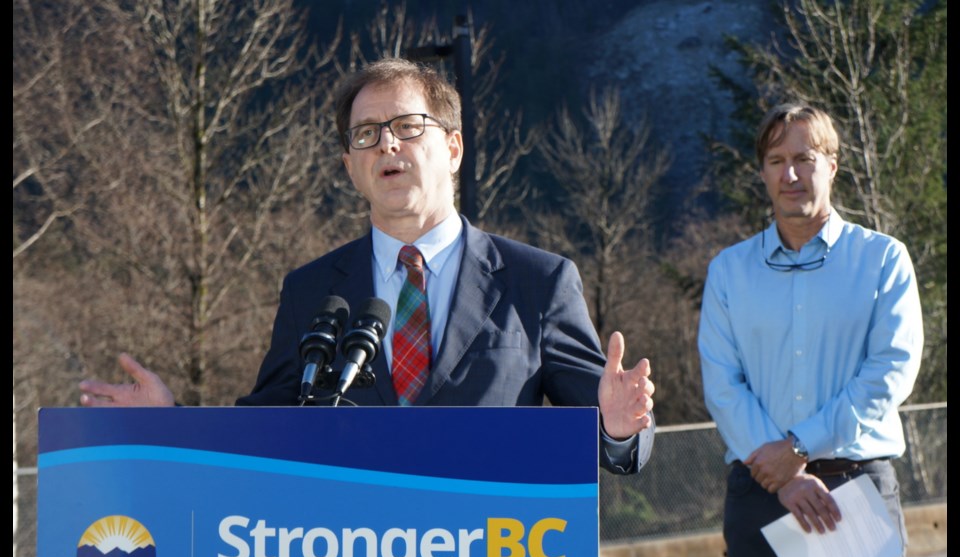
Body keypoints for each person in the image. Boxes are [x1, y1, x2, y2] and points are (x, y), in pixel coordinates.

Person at [79, 56, 655, 473]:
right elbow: (270, 429)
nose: (387, 146)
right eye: (366, 135)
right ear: (349, 167)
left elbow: (610, 434)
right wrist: (170, 421)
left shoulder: (539, 282)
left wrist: (619, 428)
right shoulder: (311, 292)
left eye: (408, 127)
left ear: (453, 148)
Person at [698, 103, 923, 557]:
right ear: (762, 172)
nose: (790, 174)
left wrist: (799, 449)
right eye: (776, 160)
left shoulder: (883, 259)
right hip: (762, 490)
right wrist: (786, 474)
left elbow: (891, 369)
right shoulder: (729, 271)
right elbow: (723, 383)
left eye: (804, 157)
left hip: (854, 485)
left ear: (833, 166)